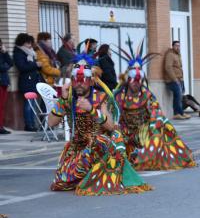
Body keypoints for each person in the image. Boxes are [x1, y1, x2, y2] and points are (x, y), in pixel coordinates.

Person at [47, 47, 151, 195]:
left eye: (83, 80)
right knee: (61, 182)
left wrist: (91, 110)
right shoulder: (68, 98)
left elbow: (110, 126)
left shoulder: (100, 97)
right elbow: (51, 123)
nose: (79, 84)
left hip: (99, 146)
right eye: (76, 80)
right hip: (78, 149)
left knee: (107, 138)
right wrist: (62, 100)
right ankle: (87, 173)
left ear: (91, 81)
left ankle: (107, 171)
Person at [113, 39, 196, 170]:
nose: (136, 83)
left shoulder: (147, 95)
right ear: (128, 79)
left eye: (139, 80)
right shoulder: (118, 96)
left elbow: (156, 114)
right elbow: (113, 117)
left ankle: (144, 154)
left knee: (157, 131)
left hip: (143, 131)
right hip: (126, 132)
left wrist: (153, 125)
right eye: (133, 80)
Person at [14, 33, 42, 132]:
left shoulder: (30, 52)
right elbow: (22, 67)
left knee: (33, 104)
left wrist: (38, 65)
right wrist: (35, 64)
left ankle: (33, 124)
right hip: (26, 81)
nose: (30, 45)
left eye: (30, 43)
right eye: (27, 43)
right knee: (29, 104)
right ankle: (29, 125)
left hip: (33, 80)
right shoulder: (19, 53)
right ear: (22, 42)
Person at [164, 40, 189, 120]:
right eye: (176, 46)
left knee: (179, 96)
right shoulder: (170, 55)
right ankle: (178, 113)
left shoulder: (178, 55)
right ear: (173, 46)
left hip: (179, 79)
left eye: (179, 46)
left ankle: (179, 113)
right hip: (173, 80)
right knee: (178, 96)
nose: (178, 47)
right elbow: (168, 67)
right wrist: (174, 79)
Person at [0, 39, 13, 134]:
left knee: (2, 106)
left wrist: (5, 52)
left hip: (4, 81)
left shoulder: (2, 53)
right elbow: (2, 67)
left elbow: (11, 63)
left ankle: (1, 126)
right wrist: (6, 67)